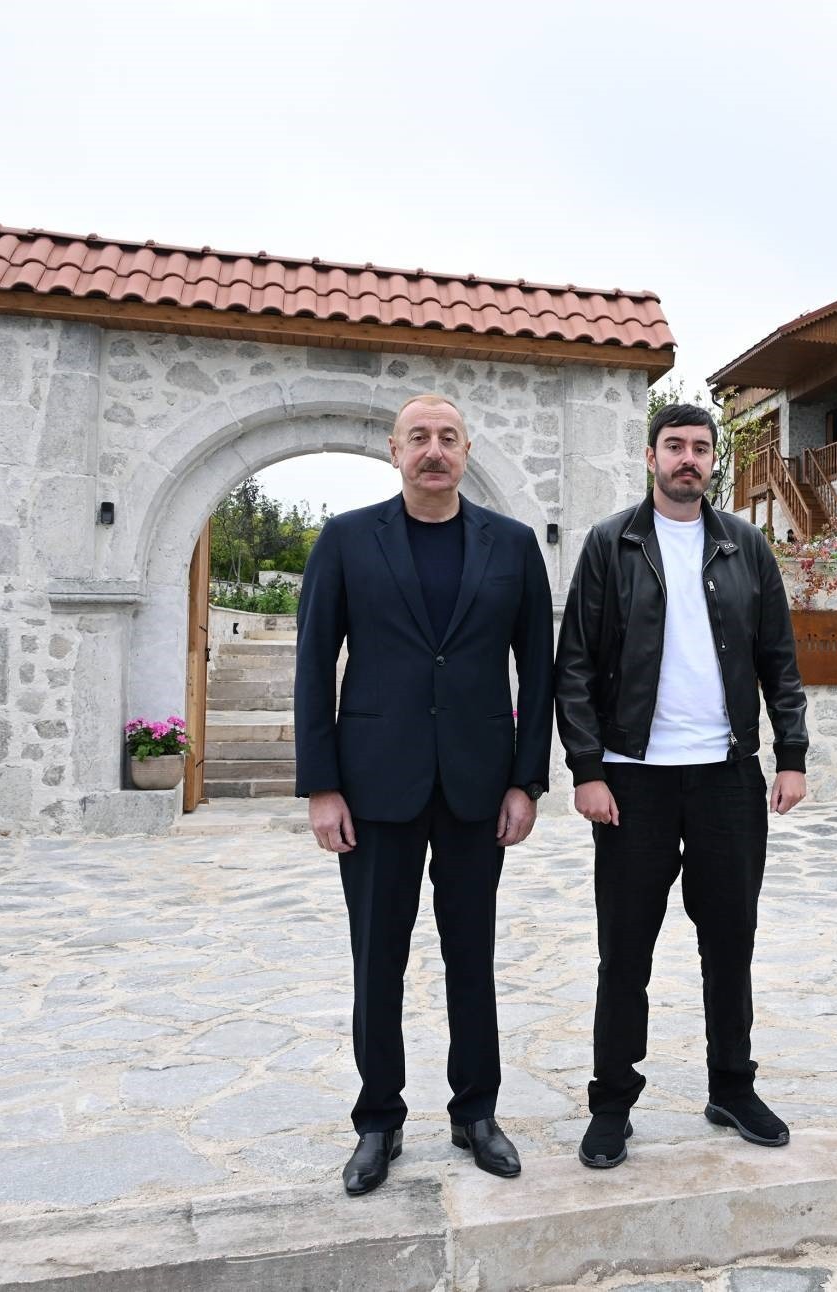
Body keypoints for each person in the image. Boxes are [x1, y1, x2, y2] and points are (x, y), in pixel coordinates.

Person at [294, 393, 552, 1192]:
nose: (433, 450)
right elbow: (312, 665)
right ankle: (378, 1121)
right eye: (418, 438)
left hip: (478, 785)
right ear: (394, 450)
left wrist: (527, 779)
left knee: (471, 957)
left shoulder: (510, 545)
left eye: (447, 438)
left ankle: (477, 1113)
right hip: (374, 786)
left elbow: (537, 671)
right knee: (378, 959)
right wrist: (321, 787)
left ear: (467, 450)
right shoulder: (345, 541)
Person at [554, 402, 809, 1170]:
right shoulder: (610, 544)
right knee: (624, 951)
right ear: (650, 457)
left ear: (712, 461)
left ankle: (731, 1084)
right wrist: (589, 770)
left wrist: (790, 754)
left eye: (700, 448)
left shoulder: (746, 547)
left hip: (727, 777)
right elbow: (574, 667)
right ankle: (611, 1101)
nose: (688, 460)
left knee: (730, 942)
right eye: (675, 447)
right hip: (634, 783)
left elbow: (779, 661)